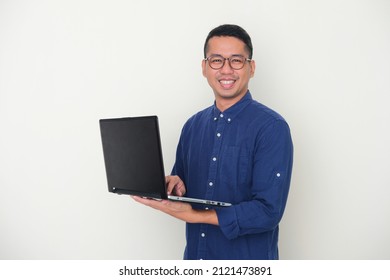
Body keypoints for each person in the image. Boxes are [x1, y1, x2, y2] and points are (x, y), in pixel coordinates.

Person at [133, 24, 293, 260]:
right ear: (204, 67)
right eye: (216, 60)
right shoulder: (192, 126)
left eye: (236, 60)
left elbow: (267, 212)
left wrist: (194, 215)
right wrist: (174, 185)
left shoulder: (271, 128)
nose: (226, 70)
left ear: (252, 67)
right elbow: (183, 186)